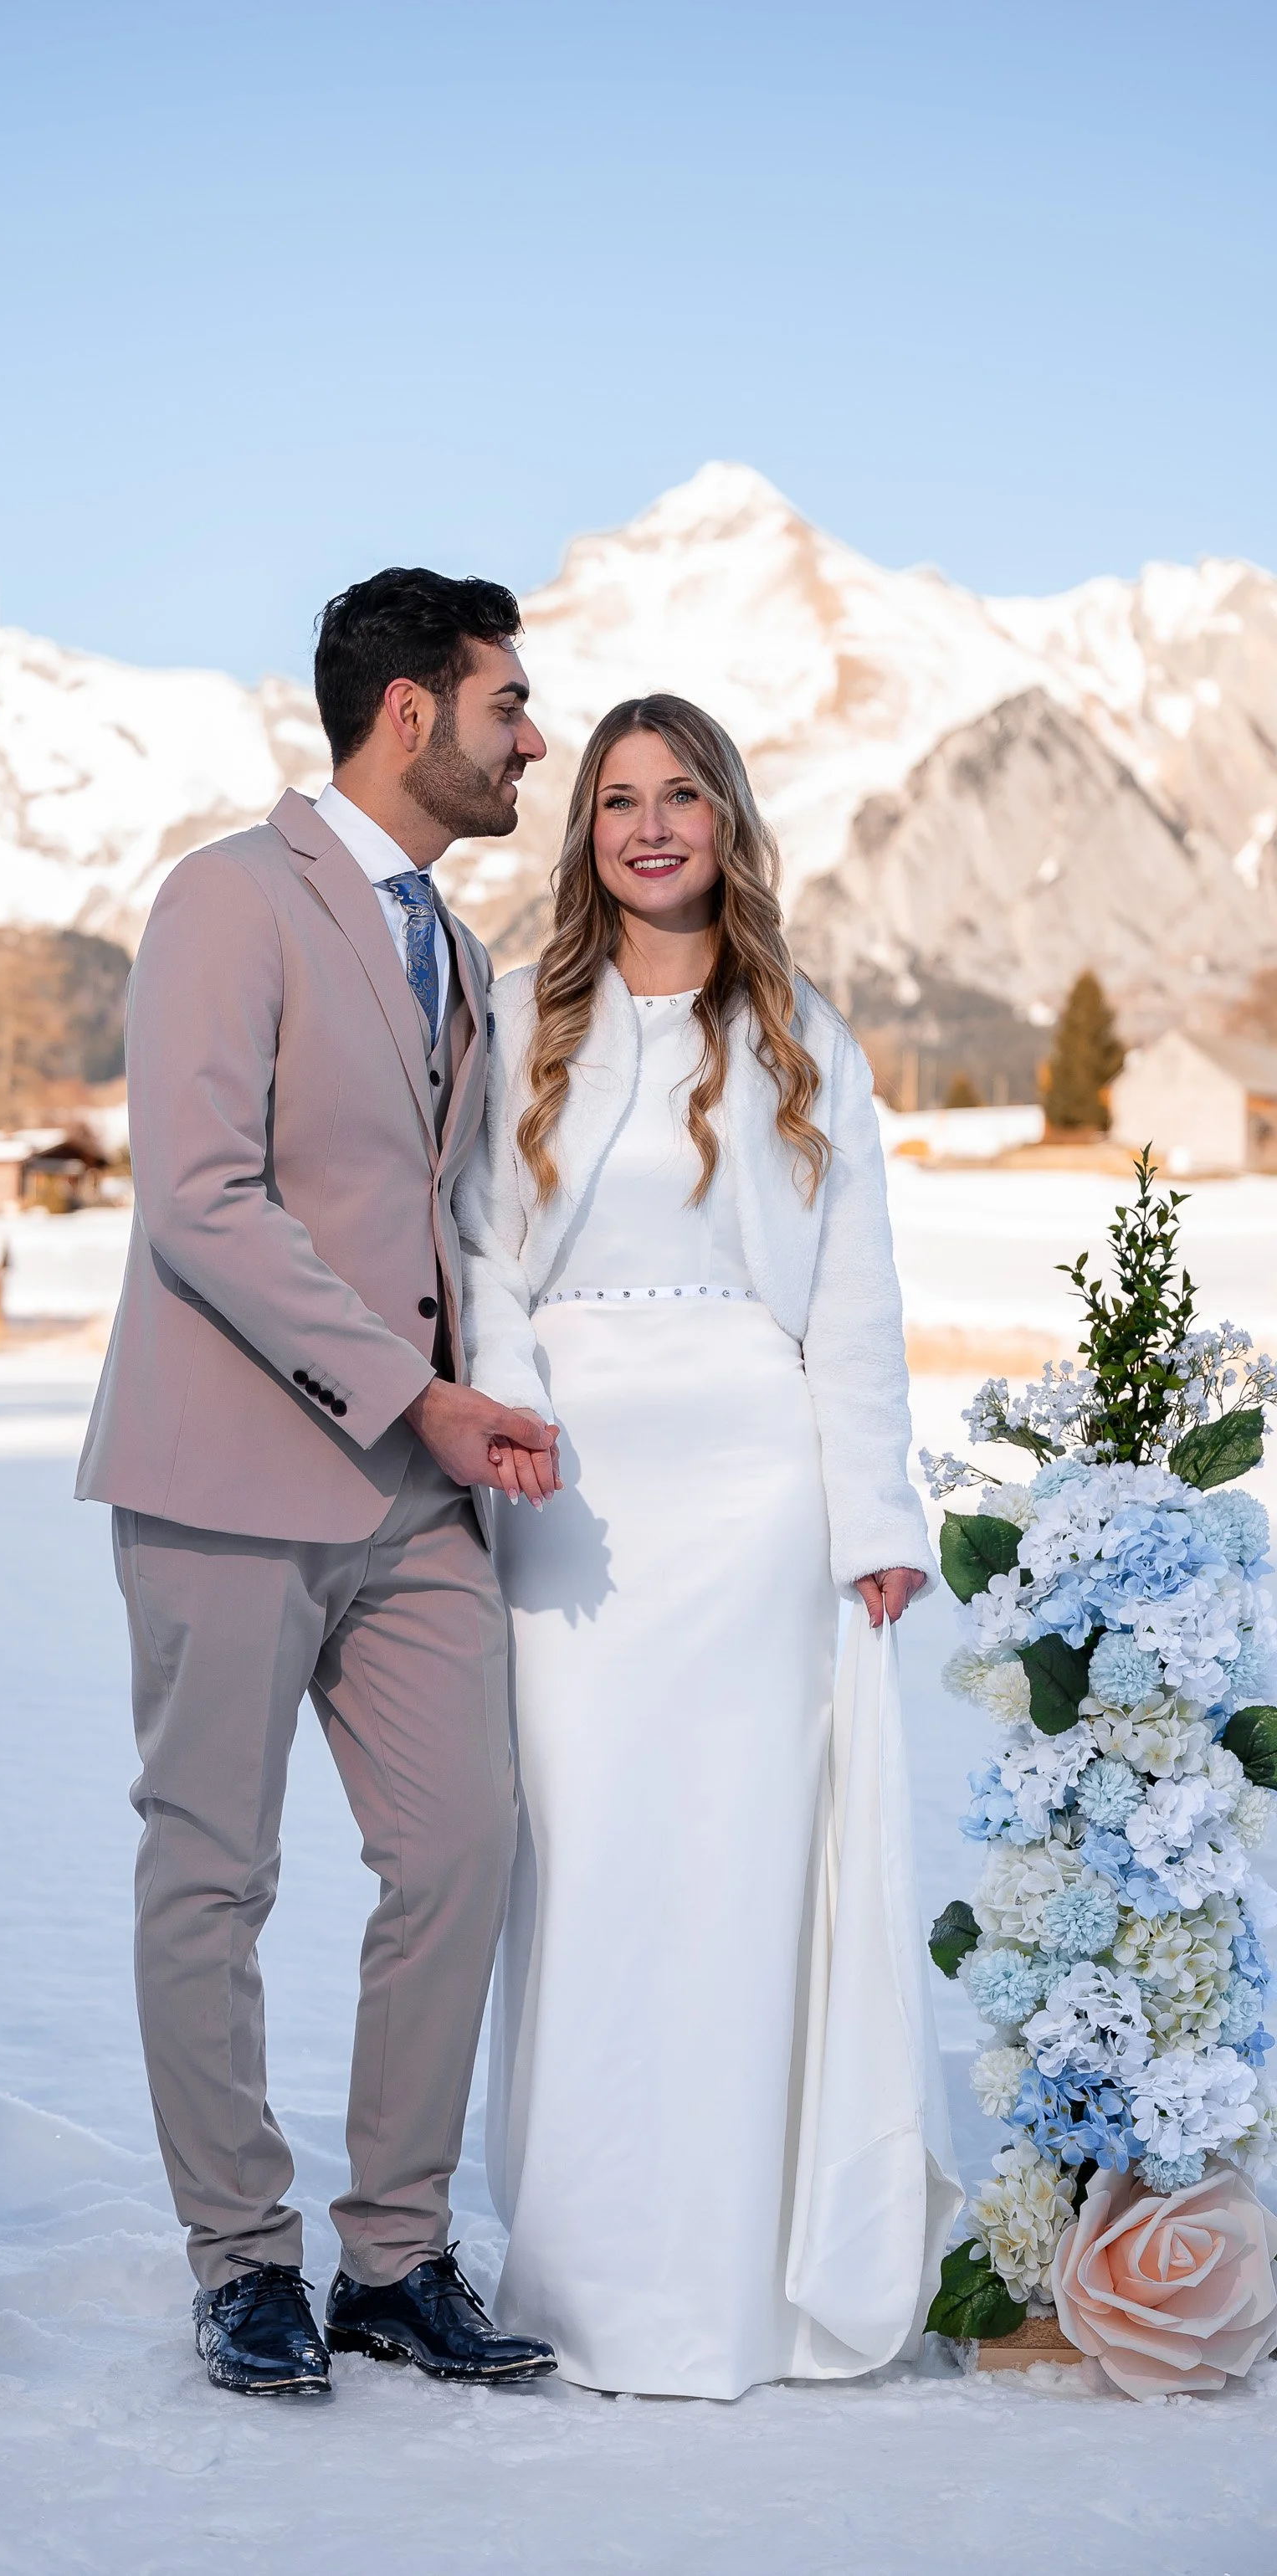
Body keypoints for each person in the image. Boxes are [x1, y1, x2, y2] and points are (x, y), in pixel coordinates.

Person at [77, 568, 562, 2397]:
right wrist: (406, 1394)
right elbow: (197, 1197)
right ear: (415, 712)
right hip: (226, 1475)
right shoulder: (225, 895)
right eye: (512, 704)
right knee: (212, 1874)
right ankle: (240, 2262)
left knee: (461, 1848)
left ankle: (396, 2254)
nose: (536, 739)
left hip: (421, 1496)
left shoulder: (461, 942)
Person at [456, 694, 959, 2399]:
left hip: (754, 1503)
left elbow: (856, 1301)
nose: (649, 825)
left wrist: (874, 1513)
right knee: (586, 1870)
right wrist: (510, 1415)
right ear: (582, 831)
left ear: (728, 822)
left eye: (681, 795)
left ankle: (730, 2279)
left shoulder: (801, 1029)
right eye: (615, 799)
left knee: (736, 1877)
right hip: (567, 1500)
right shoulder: (519, 1015)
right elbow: (475, 1263)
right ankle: (586, 2276)